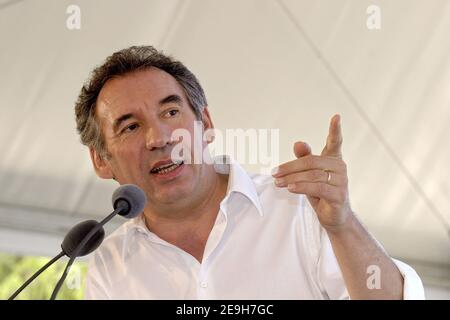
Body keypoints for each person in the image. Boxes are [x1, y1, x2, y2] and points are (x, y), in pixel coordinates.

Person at [75, 46, 424, 299]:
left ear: (206, 124)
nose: (160, 138)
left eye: (170, 113)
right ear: (101, 161)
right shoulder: (112, 265)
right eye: (131, 127)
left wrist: (343, 225)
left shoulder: (300, 207)